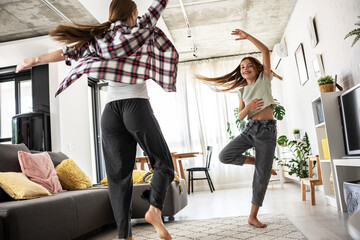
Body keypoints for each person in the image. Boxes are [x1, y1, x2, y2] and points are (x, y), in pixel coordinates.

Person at [16, 0, 178, 239]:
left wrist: (34, 60)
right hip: (136, 106)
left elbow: (66, 53)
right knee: (163, 162)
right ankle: (154, 208)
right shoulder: (141, 28)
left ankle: (125, 235)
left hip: (110, 113)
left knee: (117, 177)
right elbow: (159, 5)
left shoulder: (100, 38)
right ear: (134, 13)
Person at [196, 29, 282, 228]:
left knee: (261, 178)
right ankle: (261, 163)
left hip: (267, 131)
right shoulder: (242, 90)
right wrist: (249, 107)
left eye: (249, 66)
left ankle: (252, 216)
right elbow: (240, 116)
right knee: (224, 155)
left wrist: (248, 37)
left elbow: (265, 52)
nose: (245, 69)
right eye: (242, 67)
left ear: (257, 69)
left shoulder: (264, 79)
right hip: (250, 130)